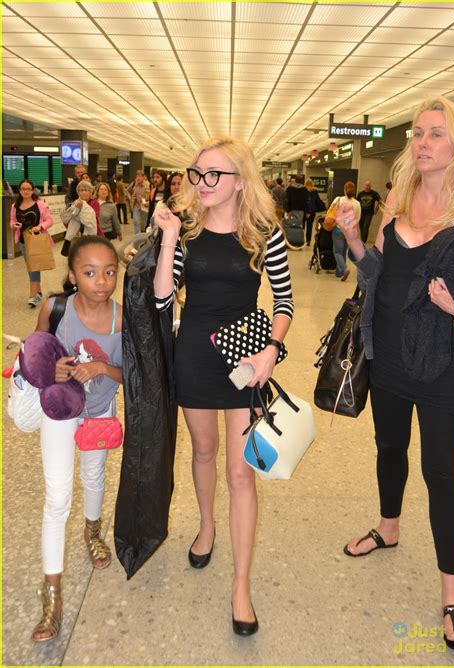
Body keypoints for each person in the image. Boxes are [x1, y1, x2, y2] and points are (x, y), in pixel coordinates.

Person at [336, 97, 454, 651]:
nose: (421, 142)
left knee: (441, 472)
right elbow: (376, 272)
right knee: (389, 448)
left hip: (443, 366)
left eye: (435, 134)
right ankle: (388, 528)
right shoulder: (397, 201)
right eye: (418, 133)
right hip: (387, 353)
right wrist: (352, 241)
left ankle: (452, 591)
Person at [153, 136, 294, 637]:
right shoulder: (187, 231)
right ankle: (207, 526)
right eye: (197, 173)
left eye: (214, 174)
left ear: (240, 180)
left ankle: (240, 585)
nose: (203, 183)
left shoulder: (264, 233)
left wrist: (272, 350)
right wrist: (170, 238)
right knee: (204, 451)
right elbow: (162, 300)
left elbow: (284, 302)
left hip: (246, 359)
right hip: (194, 352)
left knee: (241, 471)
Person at [31, 235, 123, 642]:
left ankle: (92, 530)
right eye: (89, 272)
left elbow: (132, 373)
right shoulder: (56, 309)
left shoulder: (124, 318)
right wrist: (51, 371)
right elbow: (33, 360)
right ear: (72, 276)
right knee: (57, 497)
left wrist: (104, 367)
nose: (101, 281)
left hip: (100, 411)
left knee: (94, 476)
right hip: (58, 410)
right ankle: (52, 596)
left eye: (109, 272)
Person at [10, 179, 54, 307]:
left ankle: (33, 295)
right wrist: (14, 225)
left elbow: (49, 220)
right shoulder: (15, 206)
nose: (25, 191)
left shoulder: (40, 205)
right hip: (23, 241)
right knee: (32, 267)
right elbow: (12, 221)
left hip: (37, 240)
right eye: (23, 189)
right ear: (19, 191)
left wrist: (40, 227)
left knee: (33, 267)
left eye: (28, 189)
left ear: (33, 190)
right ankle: (38, 292)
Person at [332, 181, 360, 281]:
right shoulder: (357, 204)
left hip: (338, 229)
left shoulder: (338, 199)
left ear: (344, 189)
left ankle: (344, 269)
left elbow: (331, 211)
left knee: (337, 252)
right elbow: (357, 219)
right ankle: (339, 272)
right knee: (343, 251)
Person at [60, 181, 104, 245]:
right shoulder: (73, 203)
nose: (83, 192)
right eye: (81, 190)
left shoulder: (95, 203)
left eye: (86, 190)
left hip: (92, 236)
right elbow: (67, 219)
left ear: (90, 192)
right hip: (76, 236)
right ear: (78, 192)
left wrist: (80, 209)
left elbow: (93, 218)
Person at [126, 169, 150, 234]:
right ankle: (138, 236)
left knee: (145, 223)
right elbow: (127, 191)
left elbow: (152, 194)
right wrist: (130, 198)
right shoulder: (134, 184)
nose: (138, 178)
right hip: (136, 205)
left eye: (140, 176)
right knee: (136, 221)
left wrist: (149, 202)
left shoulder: (148, 185)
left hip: (145, 206)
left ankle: (145, 235)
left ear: (143, 177)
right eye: (137, 176)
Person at [304, 178, 326, 246]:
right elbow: (317, 200)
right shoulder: (314, 191)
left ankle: (301, 240)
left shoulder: (303, 190)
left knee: (302, 226)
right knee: (309, 226)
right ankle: (308, 241)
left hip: (304, 210)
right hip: (312, 211)